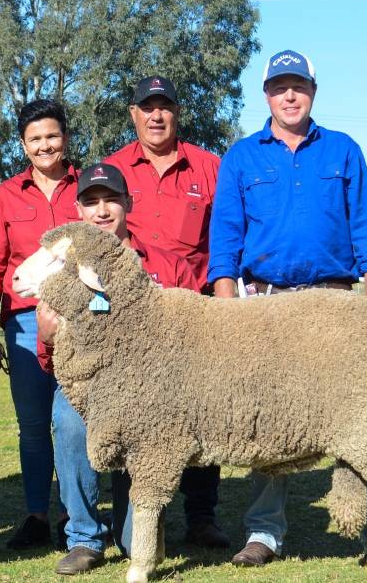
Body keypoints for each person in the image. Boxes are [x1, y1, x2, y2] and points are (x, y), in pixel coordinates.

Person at [208, 49, 367, 567]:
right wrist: (228, 317)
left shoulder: (343, 150)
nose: (290, 95)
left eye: (299, 86)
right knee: (269, 420)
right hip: (265, 309)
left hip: (335, 304)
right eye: (280, 86)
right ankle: (264, 532)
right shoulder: (242, 157)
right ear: (266, 94)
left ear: (313, 91)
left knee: (358, 416)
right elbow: (224, 241)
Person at [34, 163, 198, 574]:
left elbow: (199, 333)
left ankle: (141, 529)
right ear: (78, 210)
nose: (102, 210)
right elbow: (47, 348)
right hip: (90, 392)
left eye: (111, 200)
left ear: (128, 203)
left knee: (133, 544)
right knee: (68, 420)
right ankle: (84, 536)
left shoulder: (164, 263)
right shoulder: (60, 269)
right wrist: (49, 333)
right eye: (91, 202)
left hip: (156, 396)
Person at [101, 75, 228, 548]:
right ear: (133, 113)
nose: (156, 116)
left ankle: (201, 515)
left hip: (195, 312)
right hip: (130, 318)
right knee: (131, 412)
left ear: (177, 112)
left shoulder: (210, 167)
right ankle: (134, 515)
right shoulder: (112, 168)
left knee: (201, 411)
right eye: (146, 107)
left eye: (165, 107)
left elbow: (225, 240)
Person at [0, 99, 80, 550]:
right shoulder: (6, 195)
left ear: (66, 138)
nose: (45, 145)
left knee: (76, 419)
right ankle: (37, 514)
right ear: (23, 145)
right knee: (34, 425)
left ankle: (75, 516)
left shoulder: (87, 186)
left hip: (79, 321)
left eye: (52, 136)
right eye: (35, 138)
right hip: (22, 323)